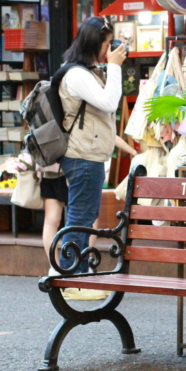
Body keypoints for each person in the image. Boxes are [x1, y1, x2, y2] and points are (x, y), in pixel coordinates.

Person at [57, 16, 126, 274]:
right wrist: (115, 66)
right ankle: (71, 273)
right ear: (94, 44)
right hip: (83, 156)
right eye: (107, 44)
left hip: (89, 156)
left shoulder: (84, 71)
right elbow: (109, 103)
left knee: (84, 217)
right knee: (80, 218)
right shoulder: (76, 75)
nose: (109, 50)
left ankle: (79, 271)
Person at [41, 136, 137, 300]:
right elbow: (106, 131)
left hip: (50, 166)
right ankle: (80, 269)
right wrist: (133, 151)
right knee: (85, 215)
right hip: (77, 160)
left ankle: (56, 269)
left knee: (54, 220)